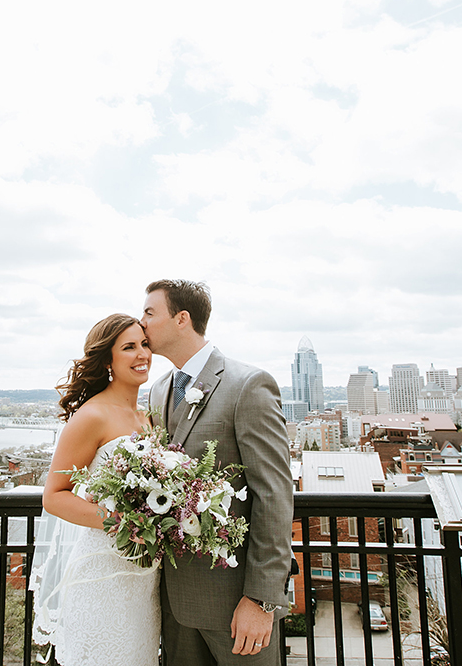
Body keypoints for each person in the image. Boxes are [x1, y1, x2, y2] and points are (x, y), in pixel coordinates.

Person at [141, 280, 293, 666]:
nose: (141, 322)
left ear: (181, 319)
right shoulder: (158, 390)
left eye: (149, 312)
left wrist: (262, 599)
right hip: (172, 605)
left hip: (235, 608)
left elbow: (273, 494)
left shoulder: (248, 385)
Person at [30, 313, 161, 666]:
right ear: (107, 360)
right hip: (102, 574)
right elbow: (54, 495)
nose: (142, 355)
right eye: (129, 347)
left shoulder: (147, 418)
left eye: (145, 345)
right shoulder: (92, 416)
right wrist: (122, 523)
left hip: (145, 581)